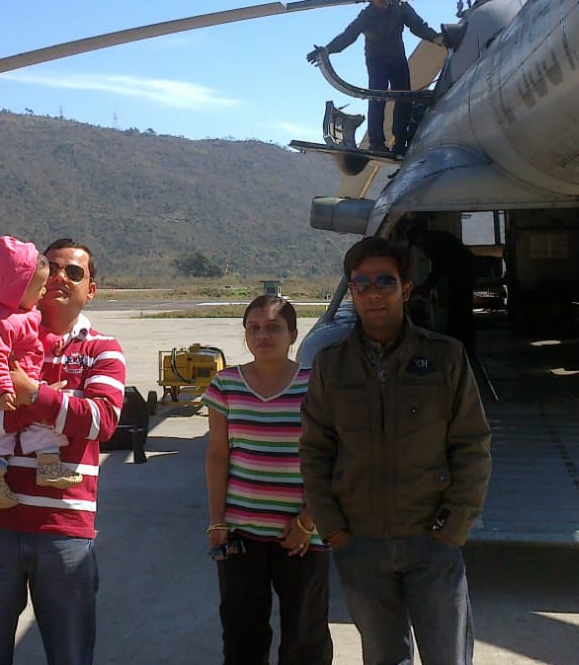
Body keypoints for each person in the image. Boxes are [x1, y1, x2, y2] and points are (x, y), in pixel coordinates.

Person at [299, 235, 491, 665]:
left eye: (385, 281)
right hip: (360, 546)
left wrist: (452, 527)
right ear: (351, 290)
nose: (372, 292)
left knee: (448, 657)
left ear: (406, 289)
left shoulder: (446, 358)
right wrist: (333, 529)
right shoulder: (331, 366)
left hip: (432, 542)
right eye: (361, 283)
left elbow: (472, 447)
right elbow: (314, 452)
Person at [0, 239, 126, 665]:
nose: (62, 276)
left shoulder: (102, 350)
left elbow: (101, 422)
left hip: (63, 530)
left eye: (76, 272)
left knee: (70, 655)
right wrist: (42, 407)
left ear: (92, 289)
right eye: (54, 267)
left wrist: (29, 394)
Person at [202, 295, 333, 665]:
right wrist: (217, 520)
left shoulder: (317, 386)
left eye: (274, 327)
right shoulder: (226, 385)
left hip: (303, 536)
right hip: (241, 533)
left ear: (292, 334)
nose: (263, 335)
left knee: (305, 638)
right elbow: (217, 455)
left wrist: (309, 520)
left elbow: (332, 458)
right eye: (254, 328)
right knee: (243, 634)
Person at [0, 235, 82, 510]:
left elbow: (34, 338)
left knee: (20, 421)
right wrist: (1, 388)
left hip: (16, 381)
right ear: (18, 287)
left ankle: (9, 470)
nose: (44, 291)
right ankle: (27, 468)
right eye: (40, 286)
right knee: (18, 423)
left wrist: (52, 343)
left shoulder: (23, 312)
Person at [306, 0, 444, 153]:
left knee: (404, 99)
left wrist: (437, 38)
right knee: (377, 97)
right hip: (376, 60)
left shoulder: (401, 8)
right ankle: (376, 143)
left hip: (397, 59)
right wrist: (327, 49)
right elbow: (348, 35)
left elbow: (418, 26)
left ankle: (401, 142)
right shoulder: (366, 15)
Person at [403, 219, 478, 361]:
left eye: (415, 241)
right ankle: (461, 339)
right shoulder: (434, 239)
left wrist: (426, 286)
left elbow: (438, 267)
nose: (417, 247)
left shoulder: (433, 243)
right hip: (460, 271)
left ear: (419, 235)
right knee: (460, 305)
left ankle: (464, 341)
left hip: (464, 271)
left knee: (461, 306)